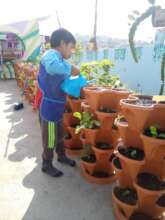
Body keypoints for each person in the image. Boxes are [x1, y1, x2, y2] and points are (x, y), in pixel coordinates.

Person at [38, 28, 80, 177]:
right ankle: (46, 163)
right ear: (62, 43)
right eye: (71, 47)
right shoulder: (51, 55)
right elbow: (51, 67)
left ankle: (62, 156)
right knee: (50, 138)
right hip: (49, 108)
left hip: (57, 106)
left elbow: (60, 80)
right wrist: (71, 68)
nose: (71, 52)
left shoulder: (59, 59)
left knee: (60, 135)